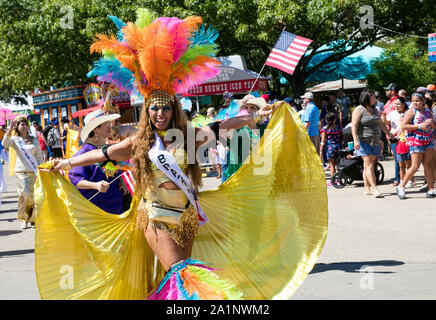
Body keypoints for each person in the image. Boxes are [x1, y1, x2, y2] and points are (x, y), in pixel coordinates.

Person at [35, 12, 328, 300]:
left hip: (186, 217)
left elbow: (222, 125)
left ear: (174, 110)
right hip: (156, 217)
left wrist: (254, 116)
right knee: (182, 273)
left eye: (165, 108)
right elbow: (101, 154)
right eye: (154, 108)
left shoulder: (189, 136)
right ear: (146, 112)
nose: (159, 113)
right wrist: (65, 162)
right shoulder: (139, 142)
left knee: (171, 278)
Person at [68, 109, 127, 214]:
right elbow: (75, 180)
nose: (110, 126)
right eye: (105, 124)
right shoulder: (84, 151)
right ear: (95, 129)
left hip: (117, 207)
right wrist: (95, 185)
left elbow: (117, 170)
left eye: (109, 123)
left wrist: (122, 181)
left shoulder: (109, 149)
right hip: (97, 211)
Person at [2, 117, 44, 229]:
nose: (24, 126)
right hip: (21, 172)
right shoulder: (15, 140)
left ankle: (33, 219)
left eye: (25, 124)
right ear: (18, 127)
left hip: (33, 171)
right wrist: (10, 129)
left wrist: (41, 168)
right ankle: (24, 219)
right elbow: (4, 143)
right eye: (21, 124)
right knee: (24, 196)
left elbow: (39, 156)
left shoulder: (34, 139)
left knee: (34, 196)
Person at [352, 90, 394, 198]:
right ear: (366, 98)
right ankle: (375, 189)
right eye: (372, 97)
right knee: (370, 165)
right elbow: (354, 126)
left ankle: (367, 189)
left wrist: (389, 134)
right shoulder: (359, 110)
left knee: (367, 166)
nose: (374, 99)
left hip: (375, 141)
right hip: (363, 141)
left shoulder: (374, 109)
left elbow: (381, 124)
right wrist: (355, 140)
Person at [396, 93, 435, 199]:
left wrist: (430, 123)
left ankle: (431, 189)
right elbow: (403, 126)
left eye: (417, 100)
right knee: (415, 166)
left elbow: (434, 126)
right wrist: (418, 125)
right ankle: (401, 186)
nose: (415, 103)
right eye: (413, 101)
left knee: (428, 165)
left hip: (428, 141)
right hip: (416, 141)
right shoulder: (411, 111)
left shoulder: (428, 111)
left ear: (423, 101)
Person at [225, 96, 268, 179]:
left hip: (259, 175)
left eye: (252, 107)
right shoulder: (238, 129)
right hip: (239, 175)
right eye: (246, 107)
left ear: (259, 110)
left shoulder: (263, 129)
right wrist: (238, 108)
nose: (249, 110)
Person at [387, 97, 413, 187]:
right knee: (399, 162)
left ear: (403, 104)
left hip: (407, 140)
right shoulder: (391, 113)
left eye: (398, 104)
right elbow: (386, 124)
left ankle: (410, 180)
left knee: (409, 163)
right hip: (395, 140)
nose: (397, 106)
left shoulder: (409, 112)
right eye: (395, 104)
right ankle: (400, 180)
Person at [381, 83, 401, 186]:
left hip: (397, 134)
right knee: (396, 156)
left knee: (399, 155)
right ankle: (400, 176)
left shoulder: (397, 102)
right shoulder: (389, 102)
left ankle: (399, 177)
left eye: (387, 90)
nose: (386, 91)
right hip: (389, 133)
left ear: (392, 91)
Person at [320, 112, 342, 179]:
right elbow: (341, 138)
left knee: (332, 165)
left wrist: (320, 151)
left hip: (330, 148)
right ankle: (340, 179)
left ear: (326, 120)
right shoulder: (338, 128)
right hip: (338, 147)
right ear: (335, 119)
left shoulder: (325, 129)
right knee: (338, 165)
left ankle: (333, 180)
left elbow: (323, 141)